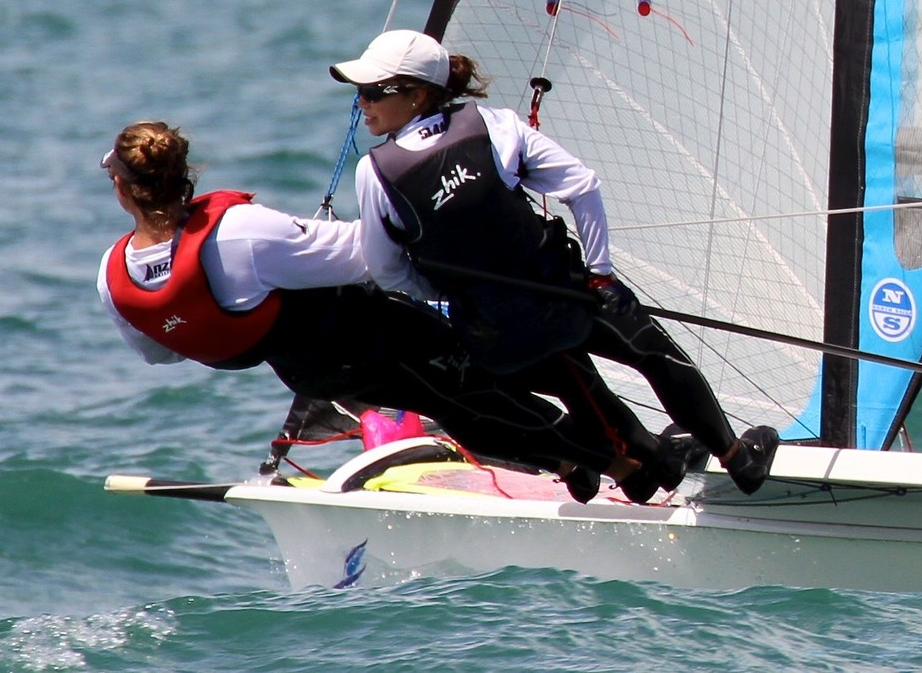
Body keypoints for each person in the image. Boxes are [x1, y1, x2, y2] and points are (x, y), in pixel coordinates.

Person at [330, 29, 780, 496]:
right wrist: (601, 274)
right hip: (564, 297)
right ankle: (737, 459)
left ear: (418, 94)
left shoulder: (374, 172)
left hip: (496, 335)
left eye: (371, 92)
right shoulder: (494, 125)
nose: (361, 104)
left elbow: (386, 270)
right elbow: (582, 186)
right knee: (653, 356)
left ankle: (644, 470)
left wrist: (449, 293)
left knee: (579, 386)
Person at [94, 120, 638, 499]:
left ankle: (572, 464)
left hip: (318, 372)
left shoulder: (113, 275)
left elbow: (160, 354)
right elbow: (368, 256)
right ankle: (624, 461)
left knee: (456, 409)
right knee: (489, 383)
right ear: (183, 172)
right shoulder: (240, 232)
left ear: (122, 190)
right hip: (375, 333)